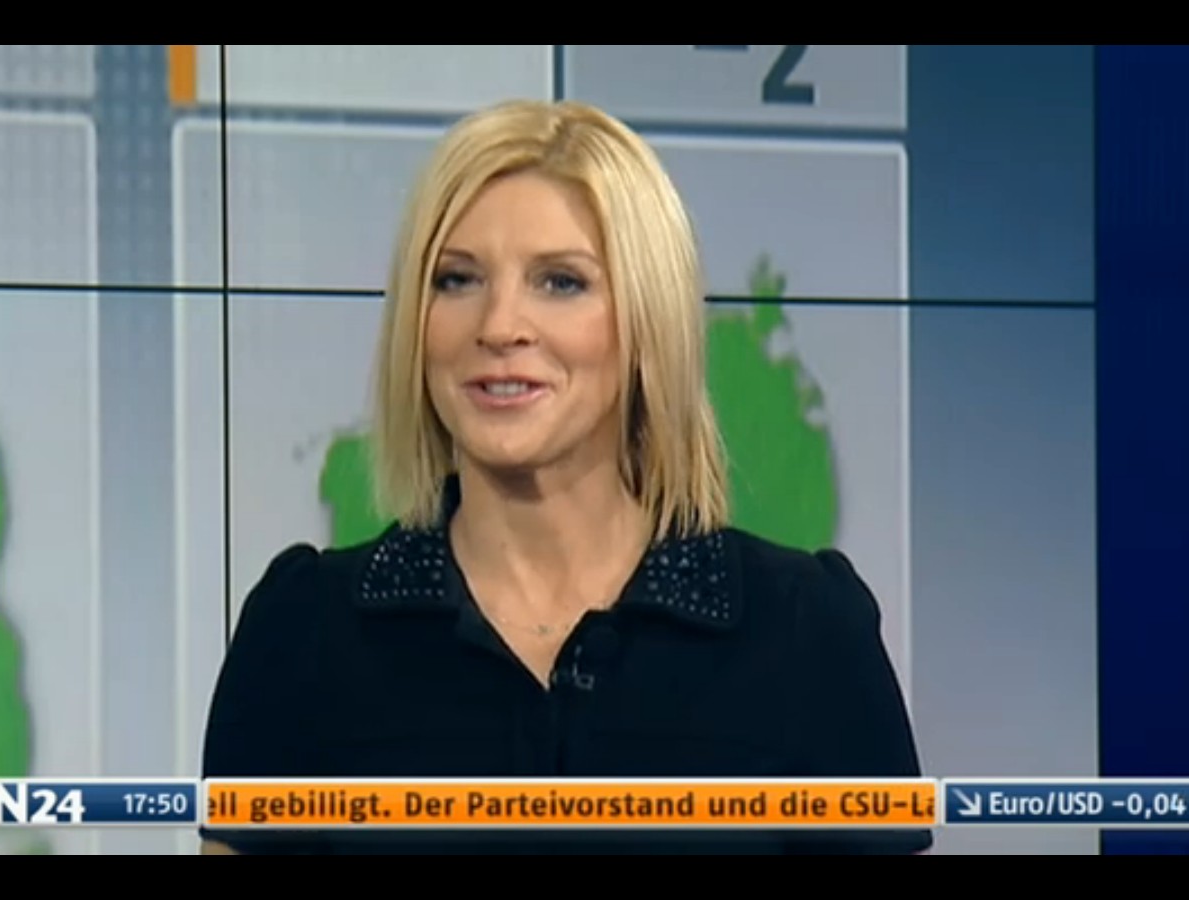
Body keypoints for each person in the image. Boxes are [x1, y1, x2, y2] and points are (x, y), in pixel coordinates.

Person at [199, 99, 931, 855]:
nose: (498, 326)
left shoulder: (807, 632)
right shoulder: (303, 634)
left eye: (559, 282)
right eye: (456, 280)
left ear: (647, 321)